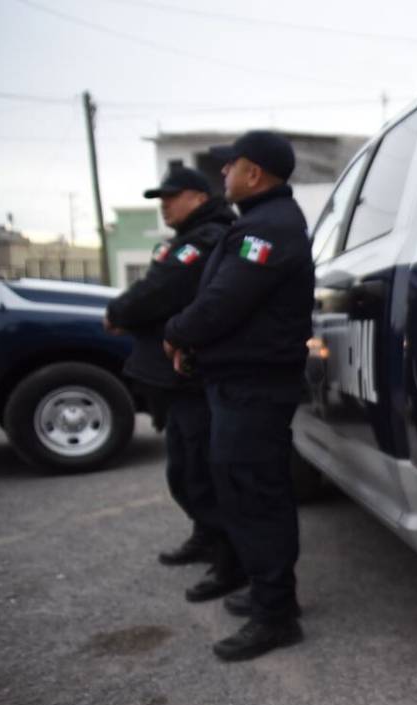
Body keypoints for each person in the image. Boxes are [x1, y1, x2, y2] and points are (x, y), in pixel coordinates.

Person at [164, 131, 314, 662]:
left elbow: (223, 302)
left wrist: (178, 332)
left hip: (255, 386)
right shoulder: (259, 221)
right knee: (245, 490)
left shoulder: (268, 227)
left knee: (256, 496)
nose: (223, 173)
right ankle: (269, 592)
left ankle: (276, 615)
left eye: (230, 166)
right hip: (241, 383)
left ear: (254, 172)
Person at [103, 164, 237, 578]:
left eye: (171, 197)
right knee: (184, 467)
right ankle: (206, 535)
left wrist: (120, 312)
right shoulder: (187, 239)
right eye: (161, 198)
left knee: (199, 468)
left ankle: (227, 553)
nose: (164, 205)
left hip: (192, 377)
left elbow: (163, 289)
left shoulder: (207, 238)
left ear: (199, 198)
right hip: (173, 379)